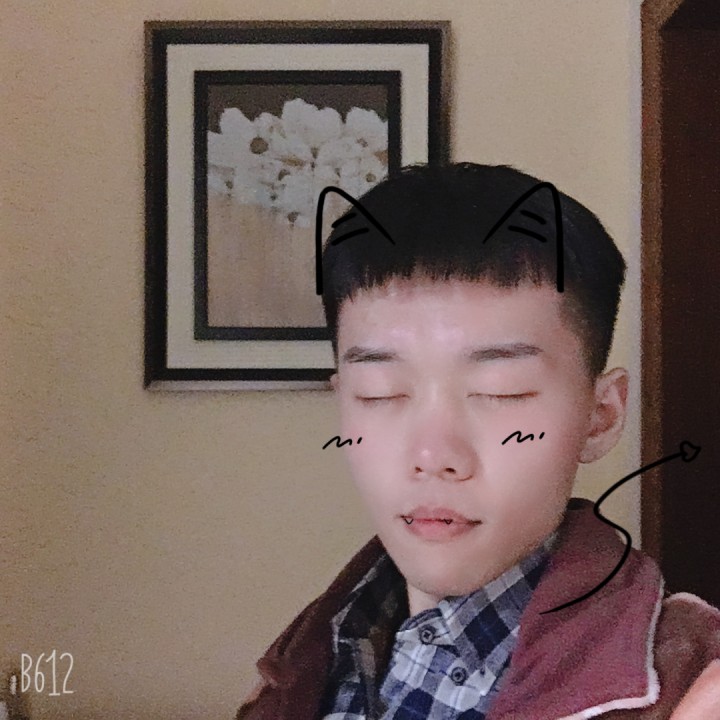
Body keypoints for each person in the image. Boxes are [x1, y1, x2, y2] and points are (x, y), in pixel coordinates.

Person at [236, 163, 720, 719]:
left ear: (601, 416)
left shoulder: (691, 685)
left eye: (501, 391)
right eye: (380, 392)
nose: (432, 456)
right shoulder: (305, 659)